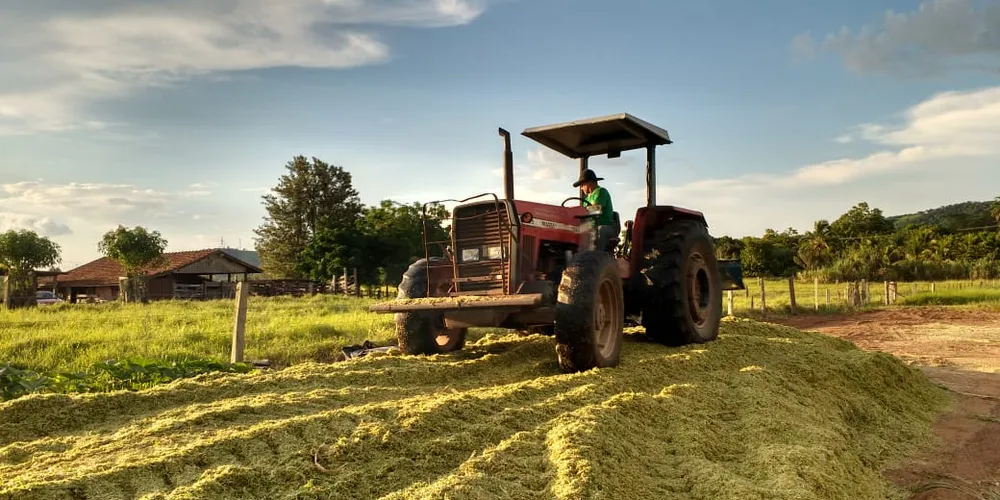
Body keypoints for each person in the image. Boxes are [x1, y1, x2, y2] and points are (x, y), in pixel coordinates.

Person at [572, 168, 619, 253]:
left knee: (600, 230)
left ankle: (597, 257)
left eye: (582, 185)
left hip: (607, 226)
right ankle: (577, 256)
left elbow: (597, 209)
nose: (581, 188)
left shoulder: (601, 191)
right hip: (592, 227)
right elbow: (583, 212)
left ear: (589, 182)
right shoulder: (586, 198)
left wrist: (579, 213)